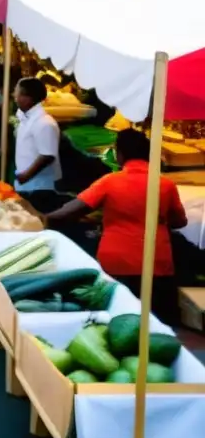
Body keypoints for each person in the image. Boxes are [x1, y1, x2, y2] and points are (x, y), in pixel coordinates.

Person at [45, 129, 188, 326]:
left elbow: (70, 211)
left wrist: (42, 219)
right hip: (156, 263)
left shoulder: (110, 182)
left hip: (117, 262)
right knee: (156, 326)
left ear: (120, 154)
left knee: (115, 322)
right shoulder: (165, 184)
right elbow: (180, 221)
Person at [12, 77, 62, 212]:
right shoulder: (26, 119)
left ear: (28, 99)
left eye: (18, 93)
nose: (14, 96)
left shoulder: (44, 123)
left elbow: (47, 155)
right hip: (26, 186)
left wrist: (26, 176)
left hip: (39, 189)